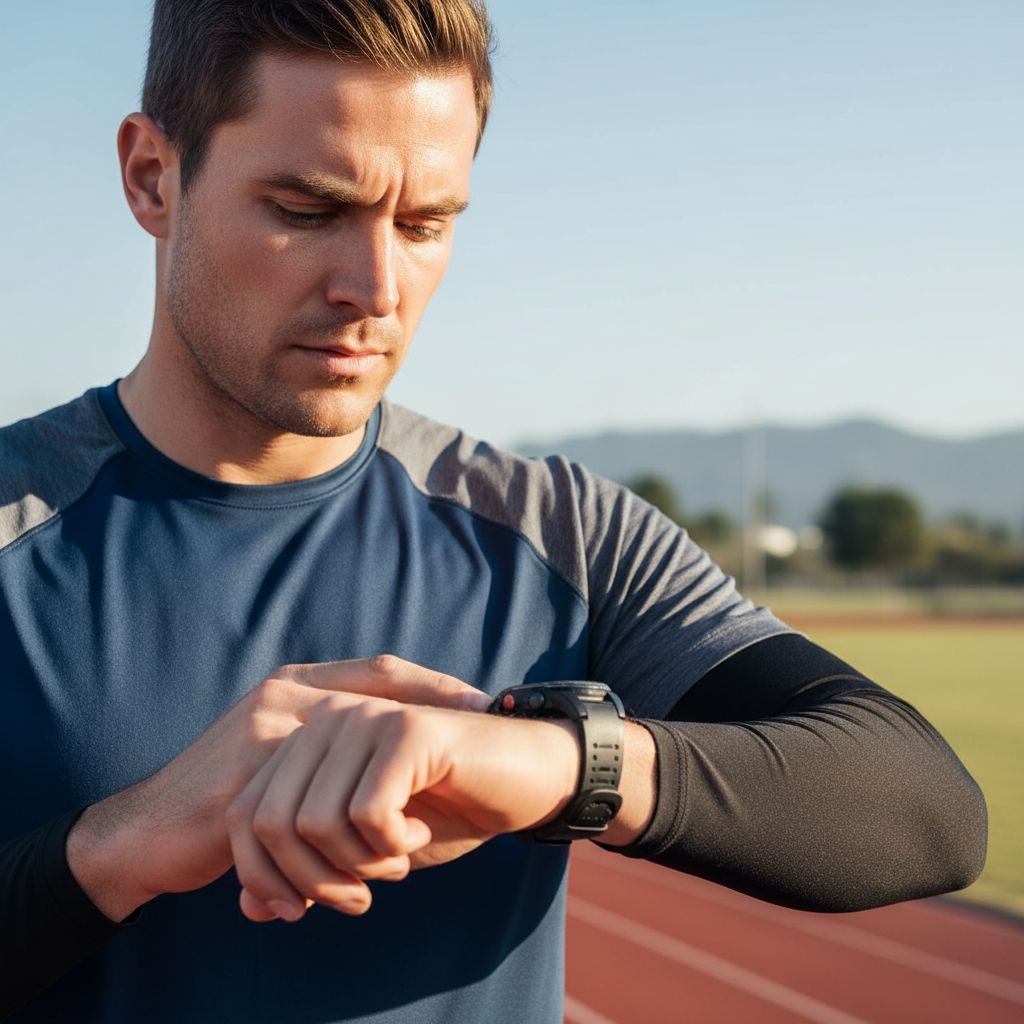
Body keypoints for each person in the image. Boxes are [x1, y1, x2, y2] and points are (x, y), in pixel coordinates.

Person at [0, 1, 986, 1021]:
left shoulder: (564, 535)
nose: (375, 287)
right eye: (305, 208)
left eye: (425, 223)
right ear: (151, 176)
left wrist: (556, 760)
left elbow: (923, 809)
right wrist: (120, 844)